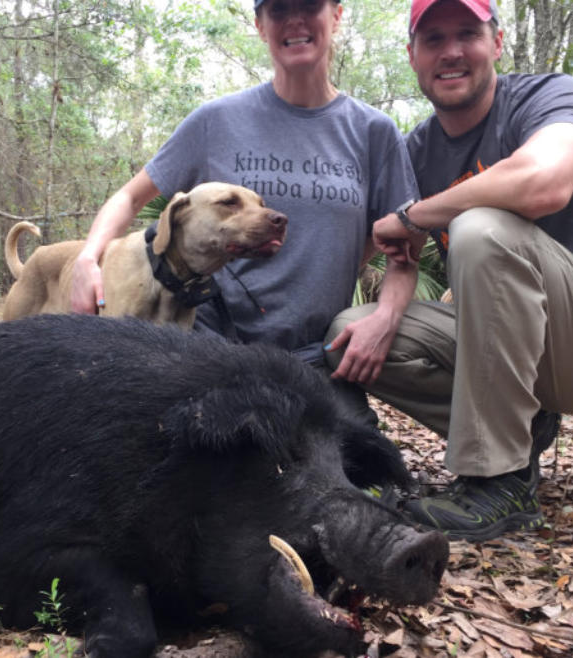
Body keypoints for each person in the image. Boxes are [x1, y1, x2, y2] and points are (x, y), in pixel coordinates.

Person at [325, 0, 573, 541]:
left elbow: (543, 183)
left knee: (480, 227)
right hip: (514, 352)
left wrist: (414, 215)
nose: (451, 51)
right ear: (412, 56)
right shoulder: (415, 150)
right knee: (348, 333)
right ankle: (522, 430)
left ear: (497, 44)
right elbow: (365, 242)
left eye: (467, 34)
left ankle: (498, 484)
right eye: (433, 39)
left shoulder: (547, 97)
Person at [69, 0, 420, 420]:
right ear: (260, 25)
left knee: (354, 469)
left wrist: (385, 316)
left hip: (313, 354)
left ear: (337, 15)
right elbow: (129, 197)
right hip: (207, 340)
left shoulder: (373, 131)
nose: (294, 20)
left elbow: (405, 251)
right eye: (278, 10)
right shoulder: (216, 120)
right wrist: (89, 258)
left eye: (309, 6)